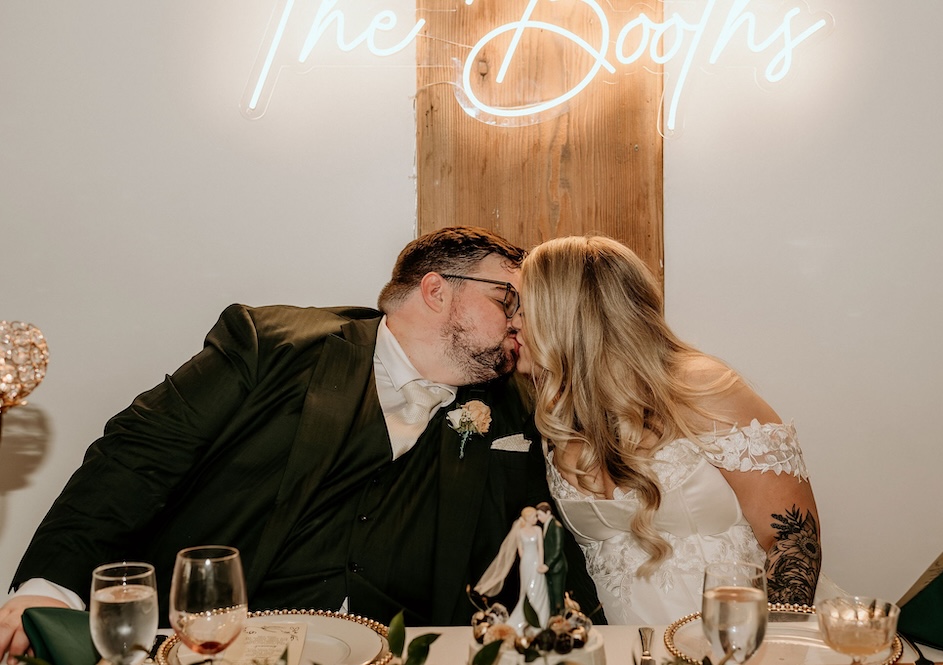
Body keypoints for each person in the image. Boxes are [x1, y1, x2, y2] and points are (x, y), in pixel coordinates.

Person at [0, 226, 602, 664]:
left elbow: (547, 544)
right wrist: (46, 587)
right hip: (220, 645)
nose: (522, 320)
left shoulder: (512, 408)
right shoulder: (273, 346)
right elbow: (135, 458)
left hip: (403, 651)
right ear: (437, 290)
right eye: (507, 298)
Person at [515, 235, 823, 625]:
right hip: (621, 650)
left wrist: (769, 646)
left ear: (566, 315)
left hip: (730, 645)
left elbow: (794, 541)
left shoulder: (703, 389)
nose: (512, 322)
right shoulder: (555, 415)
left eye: (522, 309)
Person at [473, 506, 550, 634]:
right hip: (526, 562)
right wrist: (526, 561)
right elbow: (520, 550)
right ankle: (525, 616)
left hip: (536, 560)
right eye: (534, 517)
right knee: (526, 589)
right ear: (527, 518)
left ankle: (541, 619)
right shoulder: (520, 532)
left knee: (538, 588)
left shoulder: (537, 530)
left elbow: (540, 548)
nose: (536, 519)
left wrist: (540, 563)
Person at [535, 502, 568, 615]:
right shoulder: (546, 526)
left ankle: (560, 620)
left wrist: (547, 565)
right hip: (550, 568)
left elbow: (557, 550)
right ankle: (553, 619)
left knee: (557, 596)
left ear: (548, 512)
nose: (538, 518)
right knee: (551, 597)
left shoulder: (556, 527)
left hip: (556, 567)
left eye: (539, 515)